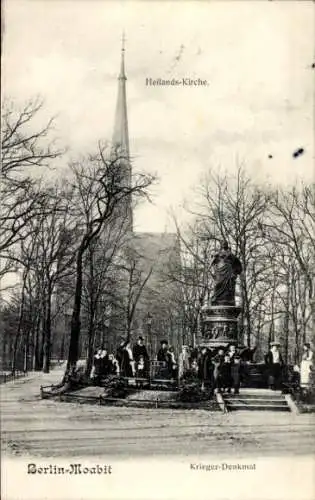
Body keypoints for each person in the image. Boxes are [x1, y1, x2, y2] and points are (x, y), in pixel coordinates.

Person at [210, 240, 242, 306]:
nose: (224, 245)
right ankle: (216, 299)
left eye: (225, 244)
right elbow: (213, 262)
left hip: (228, 271)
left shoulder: (230, 254)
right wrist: (213, 258)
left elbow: (238, 264)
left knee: (228, 287)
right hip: (219, 271)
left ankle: (228, 300)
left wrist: (235, 272)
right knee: (217, 284)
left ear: (227, 245)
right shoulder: (218, 253)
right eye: (223, 244)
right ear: (221, 245)